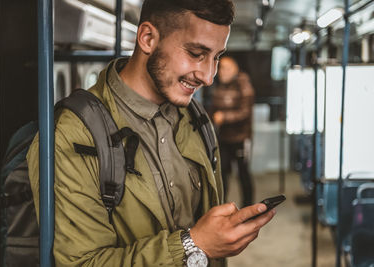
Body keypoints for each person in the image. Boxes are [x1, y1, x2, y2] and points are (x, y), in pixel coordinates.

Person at [27, 1, 275, 266]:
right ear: (147, 38)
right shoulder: (72, 135)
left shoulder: (196, 118)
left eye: (216, 57)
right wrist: (193, 243)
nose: (209, 77)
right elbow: (82, 263)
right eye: (195, 53)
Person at [211, 56, 255, 207]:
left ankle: (248, 207)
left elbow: (245, 112)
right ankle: (222, 206)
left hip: (240, 138)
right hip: (224, 138)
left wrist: (224, 117)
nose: (221, 72)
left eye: (226, 68)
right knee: (223, 174)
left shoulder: (243, 85)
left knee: (243, 174)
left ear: (235, 70)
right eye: (220, 68)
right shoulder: (220, 86)